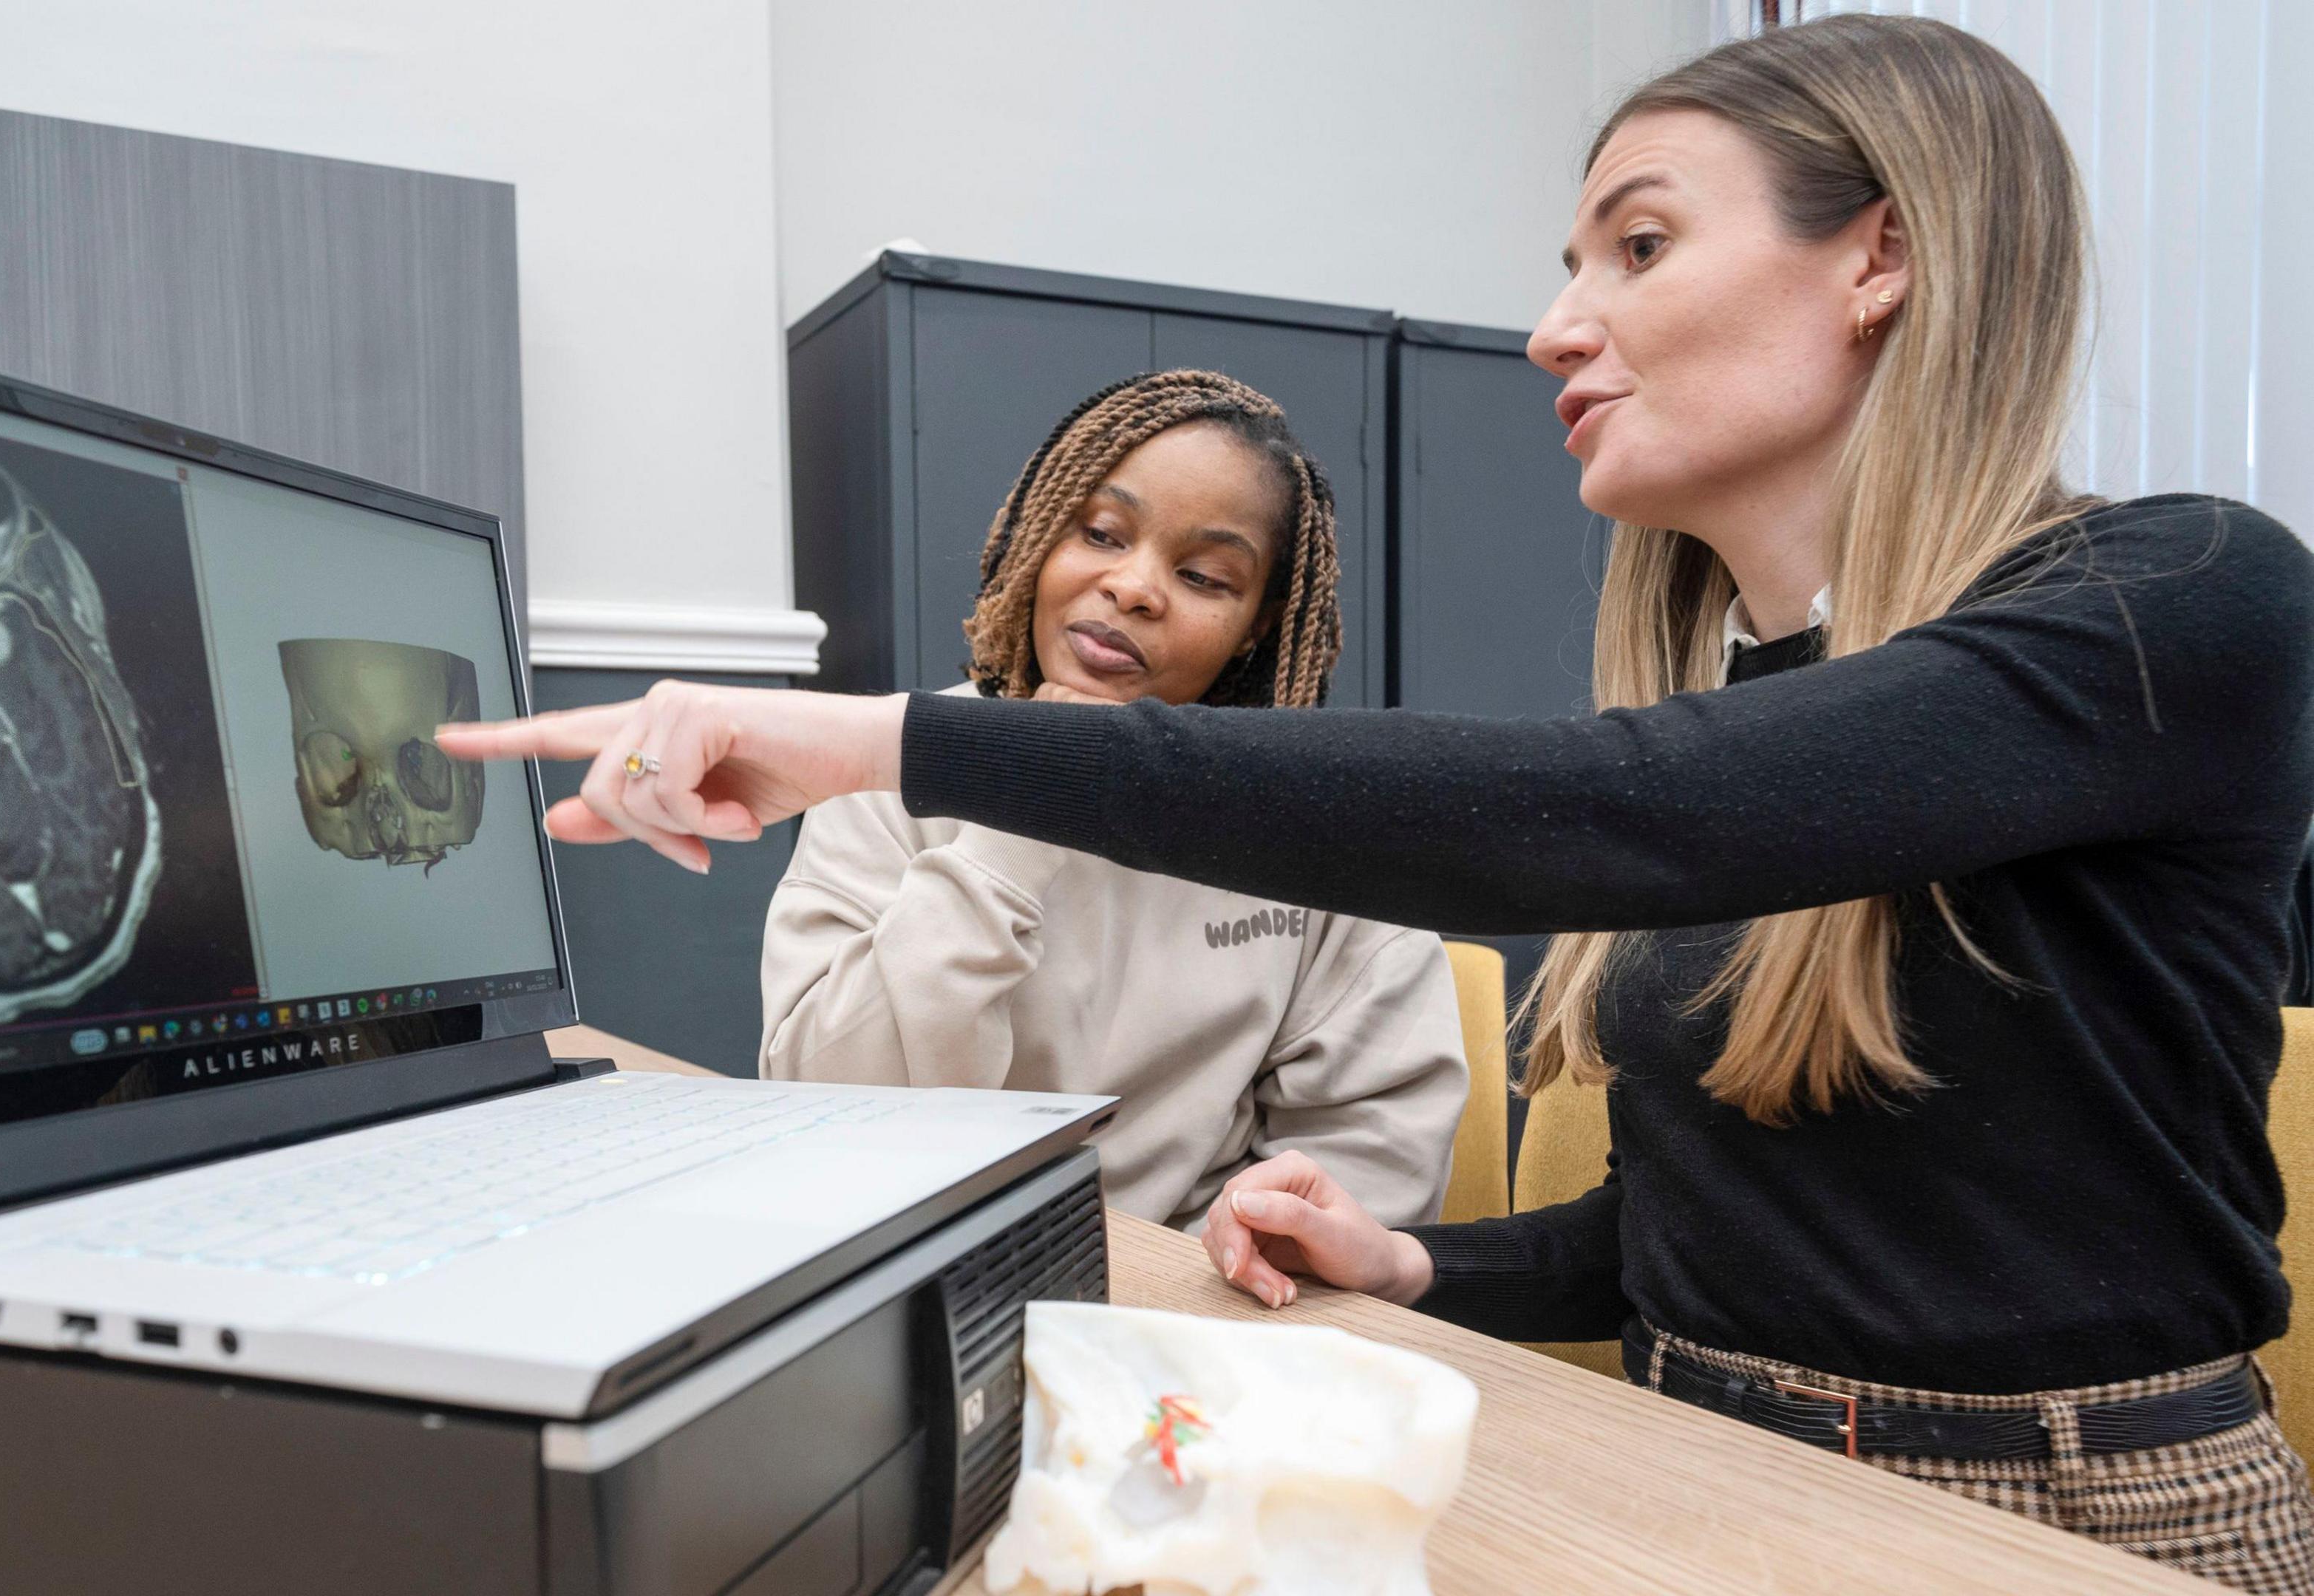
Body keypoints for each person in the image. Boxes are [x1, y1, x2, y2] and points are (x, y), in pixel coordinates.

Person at [442, 15, 2314, 1589]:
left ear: (1879, 256)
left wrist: (890, 737)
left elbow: (1618, 816)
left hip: (2070, 1509)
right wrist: (1421, 1261)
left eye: (1633, 248)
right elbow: (1716, 1244)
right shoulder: (1739, 702)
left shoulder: (2179, 595)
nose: (1553, 329)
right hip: (1688, 1445)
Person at [759, 370, 1466, 1230]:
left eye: (1205, 576)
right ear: (1038, 533)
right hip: (913, 1272)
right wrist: (1018, 821)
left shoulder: (1313, 813)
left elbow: (1369, 1164)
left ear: (1257, 622)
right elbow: (828, 1105)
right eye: (1100, 532)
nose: (1134, 587)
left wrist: (1183, 1296)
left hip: (1197, 1320)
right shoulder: (890, 771)